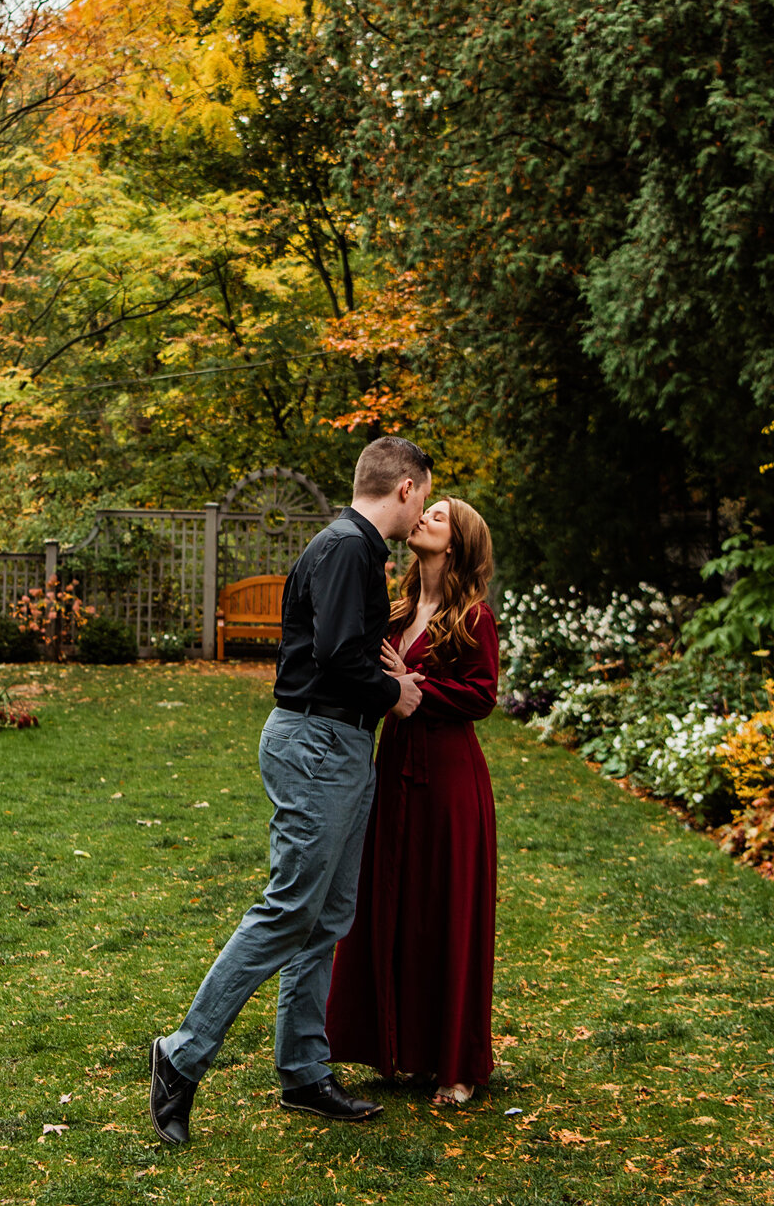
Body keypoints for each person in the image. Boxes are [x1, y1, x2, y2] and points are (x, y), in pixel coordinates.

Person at [148, 436, 433, 1146]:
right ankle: (181, 1054)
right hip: (316, 741)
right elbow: (338, 660)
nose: (423, 506)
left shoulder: (357, 549)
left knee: (327, 914)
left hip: (340, 744)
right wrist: (392, 689)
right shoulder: (345, 547)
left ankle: (304, 1070)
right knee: (287, 909)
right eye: (424, 494)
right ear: (404, 488)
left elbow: (338, 645)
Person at [324, 497, 499, 1106]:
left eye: (439, 516)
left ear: (456, 543)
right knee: (391, 901)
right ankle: (396, 1048)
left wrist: (414, 687)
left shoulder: (473, 617)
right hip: (394, 766)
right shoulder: (397, 613)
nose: (424, 516)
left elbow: (481, 696)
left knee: (445, 909)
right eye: (427, 509)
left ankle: (456, 1064)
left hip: (450, 783)